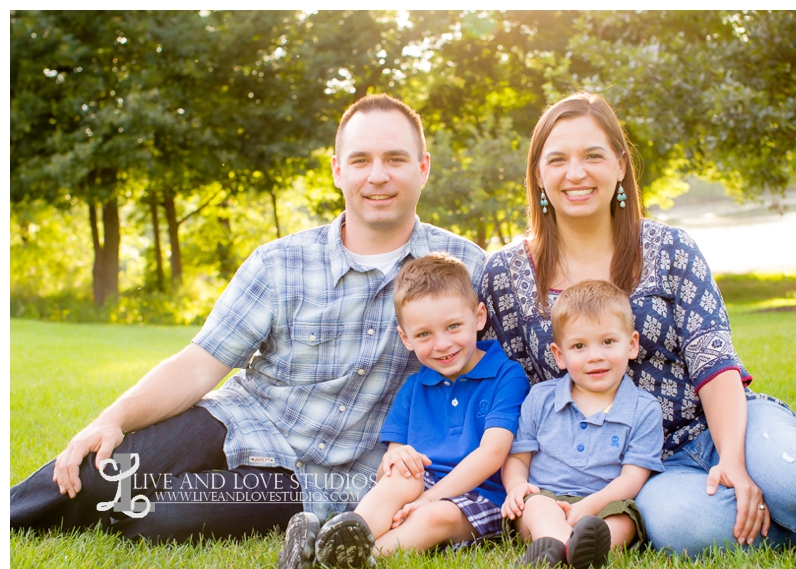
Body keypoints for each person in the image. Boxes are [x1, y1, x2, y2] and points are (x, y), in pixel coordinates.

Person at [10, 94, 487, 543]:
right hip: (242, 419)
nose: (377, 176)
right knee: (108, 470)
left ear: (423, 168)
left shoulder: (466, 269)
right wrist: (113, 417)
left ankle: (145, 510)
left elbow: (500, 376)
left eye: (396, 159)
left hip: (324, 479)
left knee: (165, 518)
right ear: (338, 170)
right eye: (361, 160)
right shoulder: (280, 262)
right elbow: (200, 364)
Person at [480, 92, 796, 556]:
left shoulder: (670, 247)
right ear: (538, 174)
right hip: (643, 466)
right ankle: (795, 531)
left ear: (619, 165)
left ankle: (790, 497)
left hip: (720, 425)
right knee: (686, 529)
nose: (575, 173)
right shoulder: (506, 274)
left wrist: (733, 461)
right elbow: (502, 385)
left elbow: (713, 361)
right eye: (557, 160)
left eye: (593, 155)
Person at [278, 252, 530, 569]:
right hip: (422, 486)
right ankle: (347, 535)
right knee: (402, 475)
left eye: (453, 326)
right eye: (424, 334)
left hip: (481, 496)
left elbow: (493, 454)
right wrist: (397, 465)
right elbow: (392, 461)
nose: (441, 344)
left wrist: (428, 499)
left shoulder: (506, 375)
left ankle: (356, 557)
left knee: (435, 515)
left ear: (479, 317)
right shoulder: (414, 387)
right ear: (405, 338)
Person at [501, 280, 663, 569]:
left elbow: (632, 480)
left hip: (604, 502)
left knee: (625, 519)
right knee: (536, 507)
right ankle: (559, 543)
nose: (595, 356)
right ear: (560, 355)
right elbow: (518, 457)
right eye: (579, 346)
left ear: (632, 344)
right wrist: (516, 486)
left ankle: (592, 546)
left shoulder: (644, 409)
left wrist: (589, 507)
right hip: (546, 495)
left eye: (608, 342)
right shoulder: (541, 398)